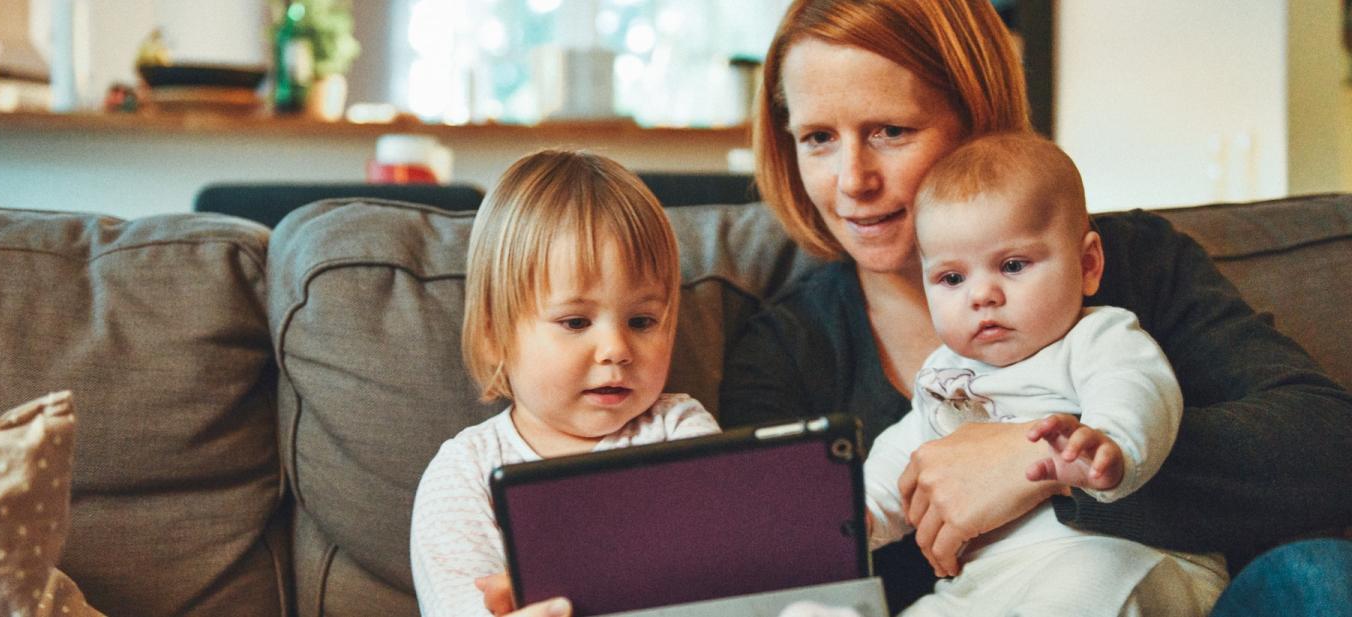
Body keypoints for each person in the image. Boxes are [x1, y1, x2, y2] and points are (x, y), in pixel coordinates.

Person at [718, 0, 1352, 613]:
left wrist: (1042, 462)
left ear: (977, 117)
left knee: (1318, 577)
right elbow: (777, 567)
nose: (853, 180)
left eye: (891, 131)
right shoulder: (783, 351)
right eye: (819, 138)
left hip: (1136, 590)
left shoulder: (1130, 264)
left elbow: (1327, 446)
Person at [861, 132, 1225, 615]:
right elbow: (908, 454)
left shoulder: (1097, 338)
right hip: (987, 582)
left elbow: (1138, 390)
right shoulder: (944, 375)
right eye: (952, 278)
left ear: (1087, 264)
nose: (981, 295)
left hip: (1117, 555)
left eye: (1012, 265)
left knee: (1078, 593)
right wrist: (857, 514)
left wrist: (1107, 445)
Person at [410, 149, 721, 617]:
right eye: (576, 322)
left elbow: (726, 570)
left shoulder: (679, 431)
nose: (616, 348)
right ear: (495, 336)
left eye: (641, 320)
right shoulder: (465, 473)